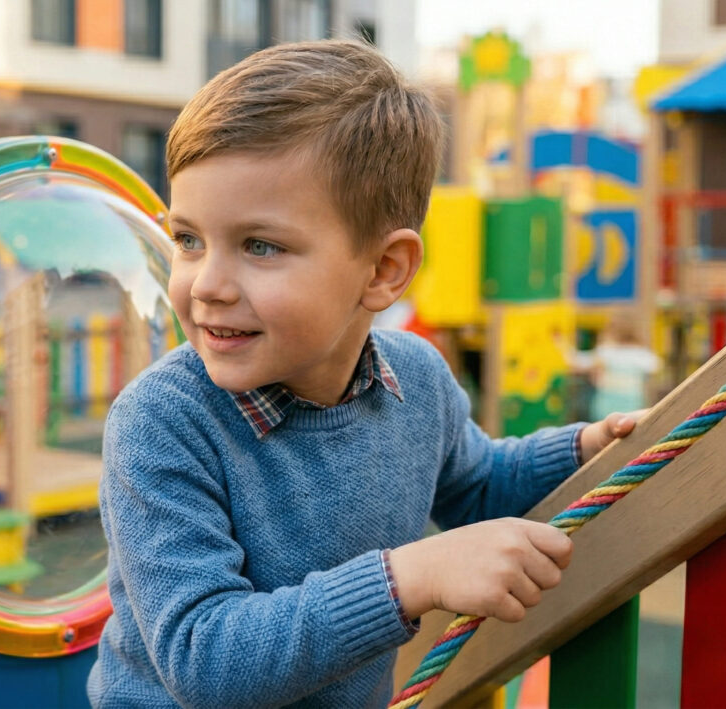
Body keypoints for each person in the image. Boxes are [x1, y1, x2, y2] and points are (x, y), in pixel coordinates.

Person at [87, 41, 641, 708]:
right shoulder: (165, 420)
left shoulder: (416, 380)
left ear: (383, 271)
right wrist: (409, 576)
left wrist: (585, 446)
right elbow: (206, 657)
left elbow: (480, 483)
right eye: (188, 239)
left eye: (260, 246)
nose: (207, 284)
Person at [584, 317, 661, 422]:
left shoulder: (607, 351)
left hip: (607, 402)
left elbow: (583, 362)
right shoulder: (640, 353)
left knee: (606, 431)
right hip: (632, 402)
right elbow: (655, 366)